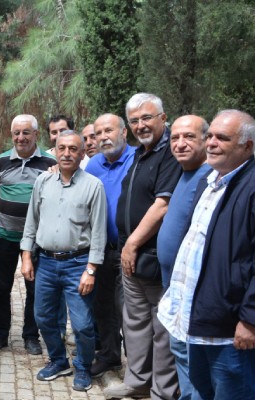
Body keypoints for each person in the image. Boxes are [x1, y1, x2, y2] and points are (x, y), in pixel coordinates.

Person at [159, 110, 255, 400]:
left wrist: (253, 321)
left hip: (232, 331)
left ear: (247, 146)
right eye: (210, 135)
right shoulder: (210, 181)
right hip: (200, 320)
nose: (211, 143)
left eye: (222, 138)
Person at [104, 93, 181, 400]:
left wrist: (132, 244)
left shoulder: (170, 152)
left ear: (163, 118)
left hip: (152, 256)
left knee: (162, 329)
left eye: (147, 117)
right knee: (135, 323)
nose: (141, 125)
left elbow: (163, 205)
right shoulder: (141, 152)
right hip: (132, 256)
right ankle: (137, 383)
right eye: (134, 120)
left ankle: (162, 391)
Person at [21, 130, 107, 392]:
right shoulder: (43, 181)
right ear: (55, 151)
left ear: (81, 154)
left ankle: (83, 366)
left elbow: (99, 232)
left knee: (82, 324)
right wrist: (26, 256)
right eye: (62, 148)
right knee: (43, 317)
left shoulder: (93, 186)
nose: (67, 153)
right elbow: (31, 221)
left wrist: (91, 270)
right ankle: (59, 361)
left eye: (73, 149)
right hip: (46, 263)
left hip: (78, 264)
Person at [0, 114, 57, 355]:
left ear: (36, 134)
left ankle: (31, 336)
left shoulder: (50, 163)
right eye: (16, 133)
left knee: (34, 290)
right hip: (4, 235)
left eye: (26, 132)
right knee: (1, 288)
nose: (21, 137)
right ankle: (0, 334)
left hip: (37, 240)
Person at [153, 115, 210, 399]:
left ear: (206, 140)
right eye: (175, 138)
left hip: (195, 293)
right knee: (180, 352)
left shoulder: (210, 178)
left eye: (189, 136)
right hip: (174, 285)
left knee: (194, 362)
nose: (180, 143)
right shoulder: (183, 173)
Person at [85, 113, 136, 378]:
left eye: (109, 131)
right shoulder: (94, 164)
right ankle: (110, 355)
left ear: (124, 132)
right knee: (103, 307)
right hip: (103, 249)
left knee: (129, 311)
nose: (103, 137)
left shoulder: (138, 159)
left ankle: (137, 368)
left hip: (132, 249)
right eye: (99, 133)